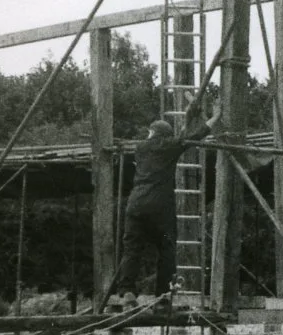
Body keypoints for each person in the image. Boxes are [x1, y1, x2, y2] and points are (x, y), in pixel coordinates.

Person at [94, 103, 219, 312]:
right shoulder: (170, 147)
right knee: (166, 250)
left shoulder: (141, 148)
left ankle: (127, 292)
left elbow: (176, 140)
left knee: (132, 250)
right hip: (160, 205)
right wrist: (215, 117)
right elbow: (195, 136)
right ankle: (162, 297)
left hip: (136, 203)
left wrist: (187, 121)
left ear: (151, 133)